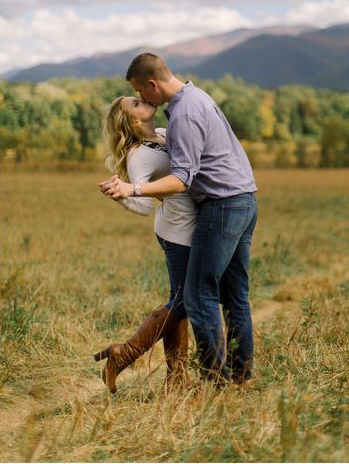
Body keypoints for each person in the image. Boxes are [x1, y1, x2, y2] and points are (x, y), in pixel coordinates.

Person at [100, 53, 258, 385]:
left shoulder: (176, 120)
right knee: (194, 297)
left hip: (220, 207)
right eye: (136, 101)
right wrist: (129, 191)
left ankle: (216, 378)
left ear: (152, 84)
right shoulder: (191, 103)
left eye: (141, 94)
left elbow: (183, 178)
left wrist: (135, 189)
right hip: (200, 217)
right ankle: (213, 377)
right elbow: (143, 196)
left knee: (194, 297)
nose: (143, 99)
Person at [93, 95, 198, 394]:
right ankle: (124, 354)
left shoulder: (165, 133)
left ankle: (177, 379)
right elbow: (142, 205)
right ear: (134, 121)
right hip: (176, 230)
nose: (142, 100)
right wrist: (122, 196)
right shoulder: (139, 155)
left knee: (180, 302)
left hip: (191, 226)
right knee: (183, 301)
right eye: (135, 104)